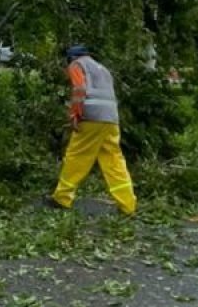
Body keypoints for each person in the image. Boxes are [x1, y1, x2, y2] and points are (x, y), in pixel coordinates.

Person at [49, 46, 136, 215]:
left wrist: (75, 113)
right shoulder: (103, 69)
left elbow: (79, 89)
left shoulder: (77, 65)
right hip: (111, 120)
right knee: (114, 161)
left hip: (91, 117)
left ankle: (62, 198)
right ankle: (128, 205)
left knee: (77, 156)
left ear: (71, 58)